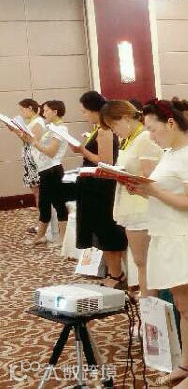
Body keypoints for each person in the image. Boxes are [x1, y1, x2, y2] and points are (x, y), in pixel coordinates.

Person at [130, 98, 188, 389]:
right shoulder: (170, 152)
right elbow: (165, 192)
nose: (150, 136)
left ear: (170, 123)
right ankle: (185, 364)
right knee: (181, 305)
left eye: (153, 129)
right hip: (166, 233)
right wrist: (143, 190)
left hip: (182, 237)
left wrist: (153, 190)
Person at [101, 100, 163, 298]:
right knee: (141, 262)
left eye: (114, 125)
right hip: (132, 203)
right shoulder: (130, 139)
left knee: (144, 262)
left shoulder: (144, 138)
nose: (114, 131)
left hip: (142, 208)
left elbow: (149, 175)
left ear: (126, 118)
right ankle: (147, 300)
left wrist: (127, 178)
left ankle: (149, 303)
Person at [73, 91, 126, 289]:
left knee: (106, 230)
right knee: (101, 230)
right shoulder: (98, 129)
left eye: (85, 111)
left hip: (102, 187)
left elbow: (105, 162)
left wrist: (82, 150)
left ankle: (116, 274)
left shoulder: (105, 130)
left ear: (95, 111)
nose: (84, 115)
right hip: (94, 185)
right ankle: (113, 272)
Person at [18, 100, 67, 246]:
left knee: (59, 203)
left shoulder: (61, 129)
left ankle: (63, 238)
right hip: (44, 170)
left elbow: (51, 152)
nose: (43, 113)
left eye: (46, 110)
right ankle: (40, 236)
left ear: (55, 112)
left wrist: (35, 142)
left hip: (53, 170)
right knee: (44, 203)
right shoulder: (51, 127)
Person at [15, 99, 46, 231]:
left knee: (39, 193)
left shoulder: (38, 122)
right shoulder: (32, 122)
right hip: (30, 160)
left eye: (22, 109)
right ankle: (42, 223)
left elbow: (32, 141)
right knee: (36, 192)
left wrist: (16, 131)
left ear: (30, 108)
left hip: (35, 161)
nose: (21, 112)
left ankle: (44, 225)